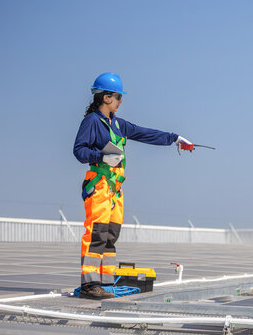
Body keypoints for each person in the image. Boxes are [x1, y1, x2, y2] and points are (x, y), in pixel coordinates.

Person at [73, 72, 191, 299]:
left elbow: (143, 133)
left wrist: (175, 138)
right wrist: (100, 156)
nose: (121, 101)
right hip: (98, 185)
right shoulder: (91, 122)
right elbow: (79, 151)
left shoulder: (117, 123)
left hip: (115, 189)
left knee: (110, 236)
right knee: (96, 234)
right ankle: (89, 285)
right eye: (118, 96)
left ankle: (104, 282)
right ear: (106, 98)